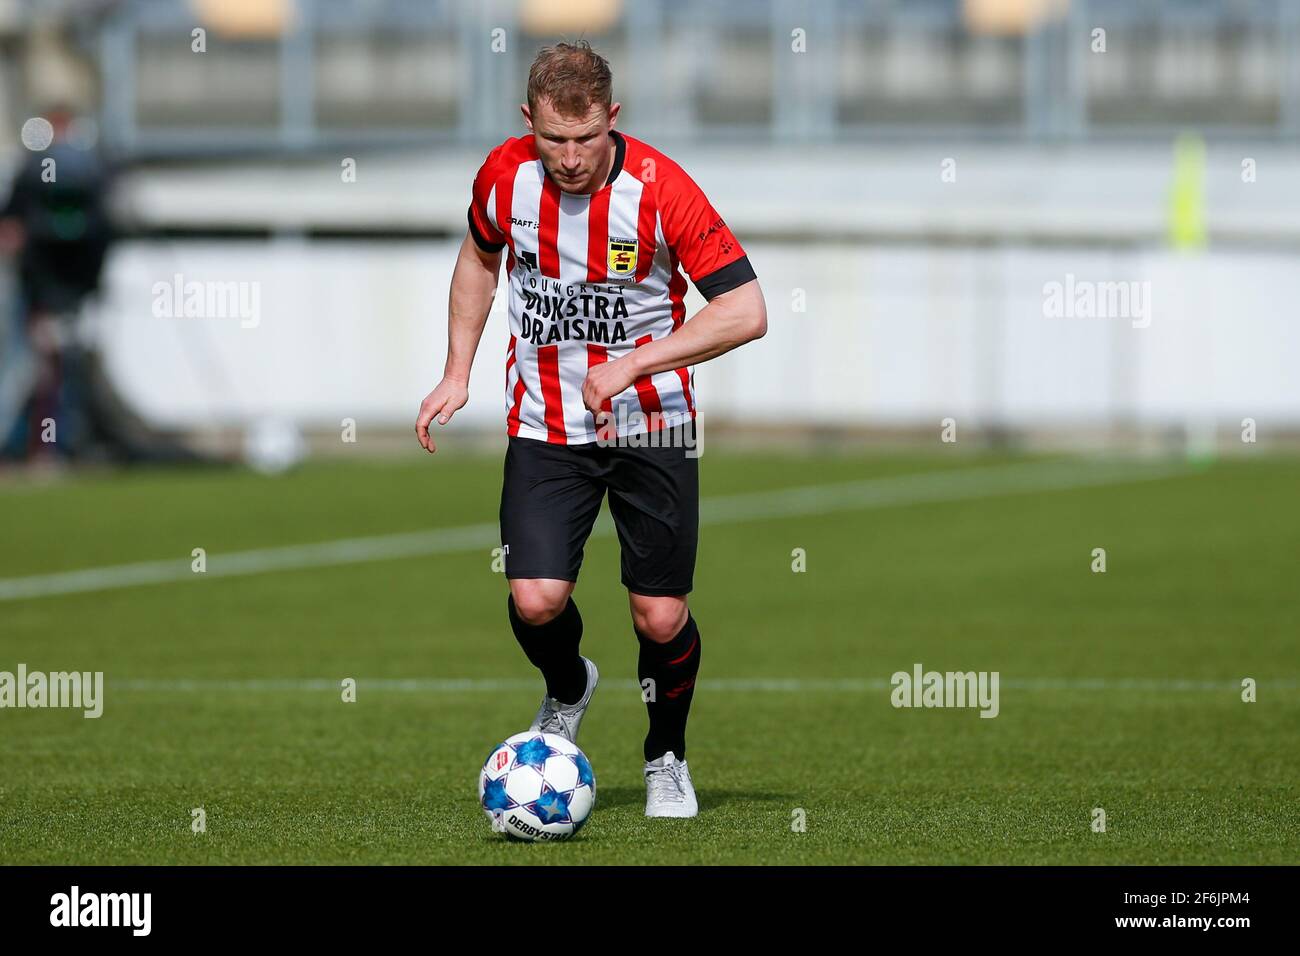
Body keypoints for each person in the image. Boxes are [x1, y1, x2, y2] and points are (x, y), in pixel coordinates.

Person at [415, 41, 766, 818]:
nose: (570, 158)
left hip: (655, 425)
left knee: (660, 615)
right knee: (536, 599)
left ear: (613, 117)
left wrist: (637, 364)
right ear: (527, 123)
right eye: (553, 141)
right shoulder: (504, 177)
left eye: (585, 139)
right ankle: (569, 685)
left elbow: (746, 310)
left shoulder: (662, 189)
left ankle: (665, 756)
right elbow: (477, 260)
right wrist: (455, 370)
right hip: (546, 423)